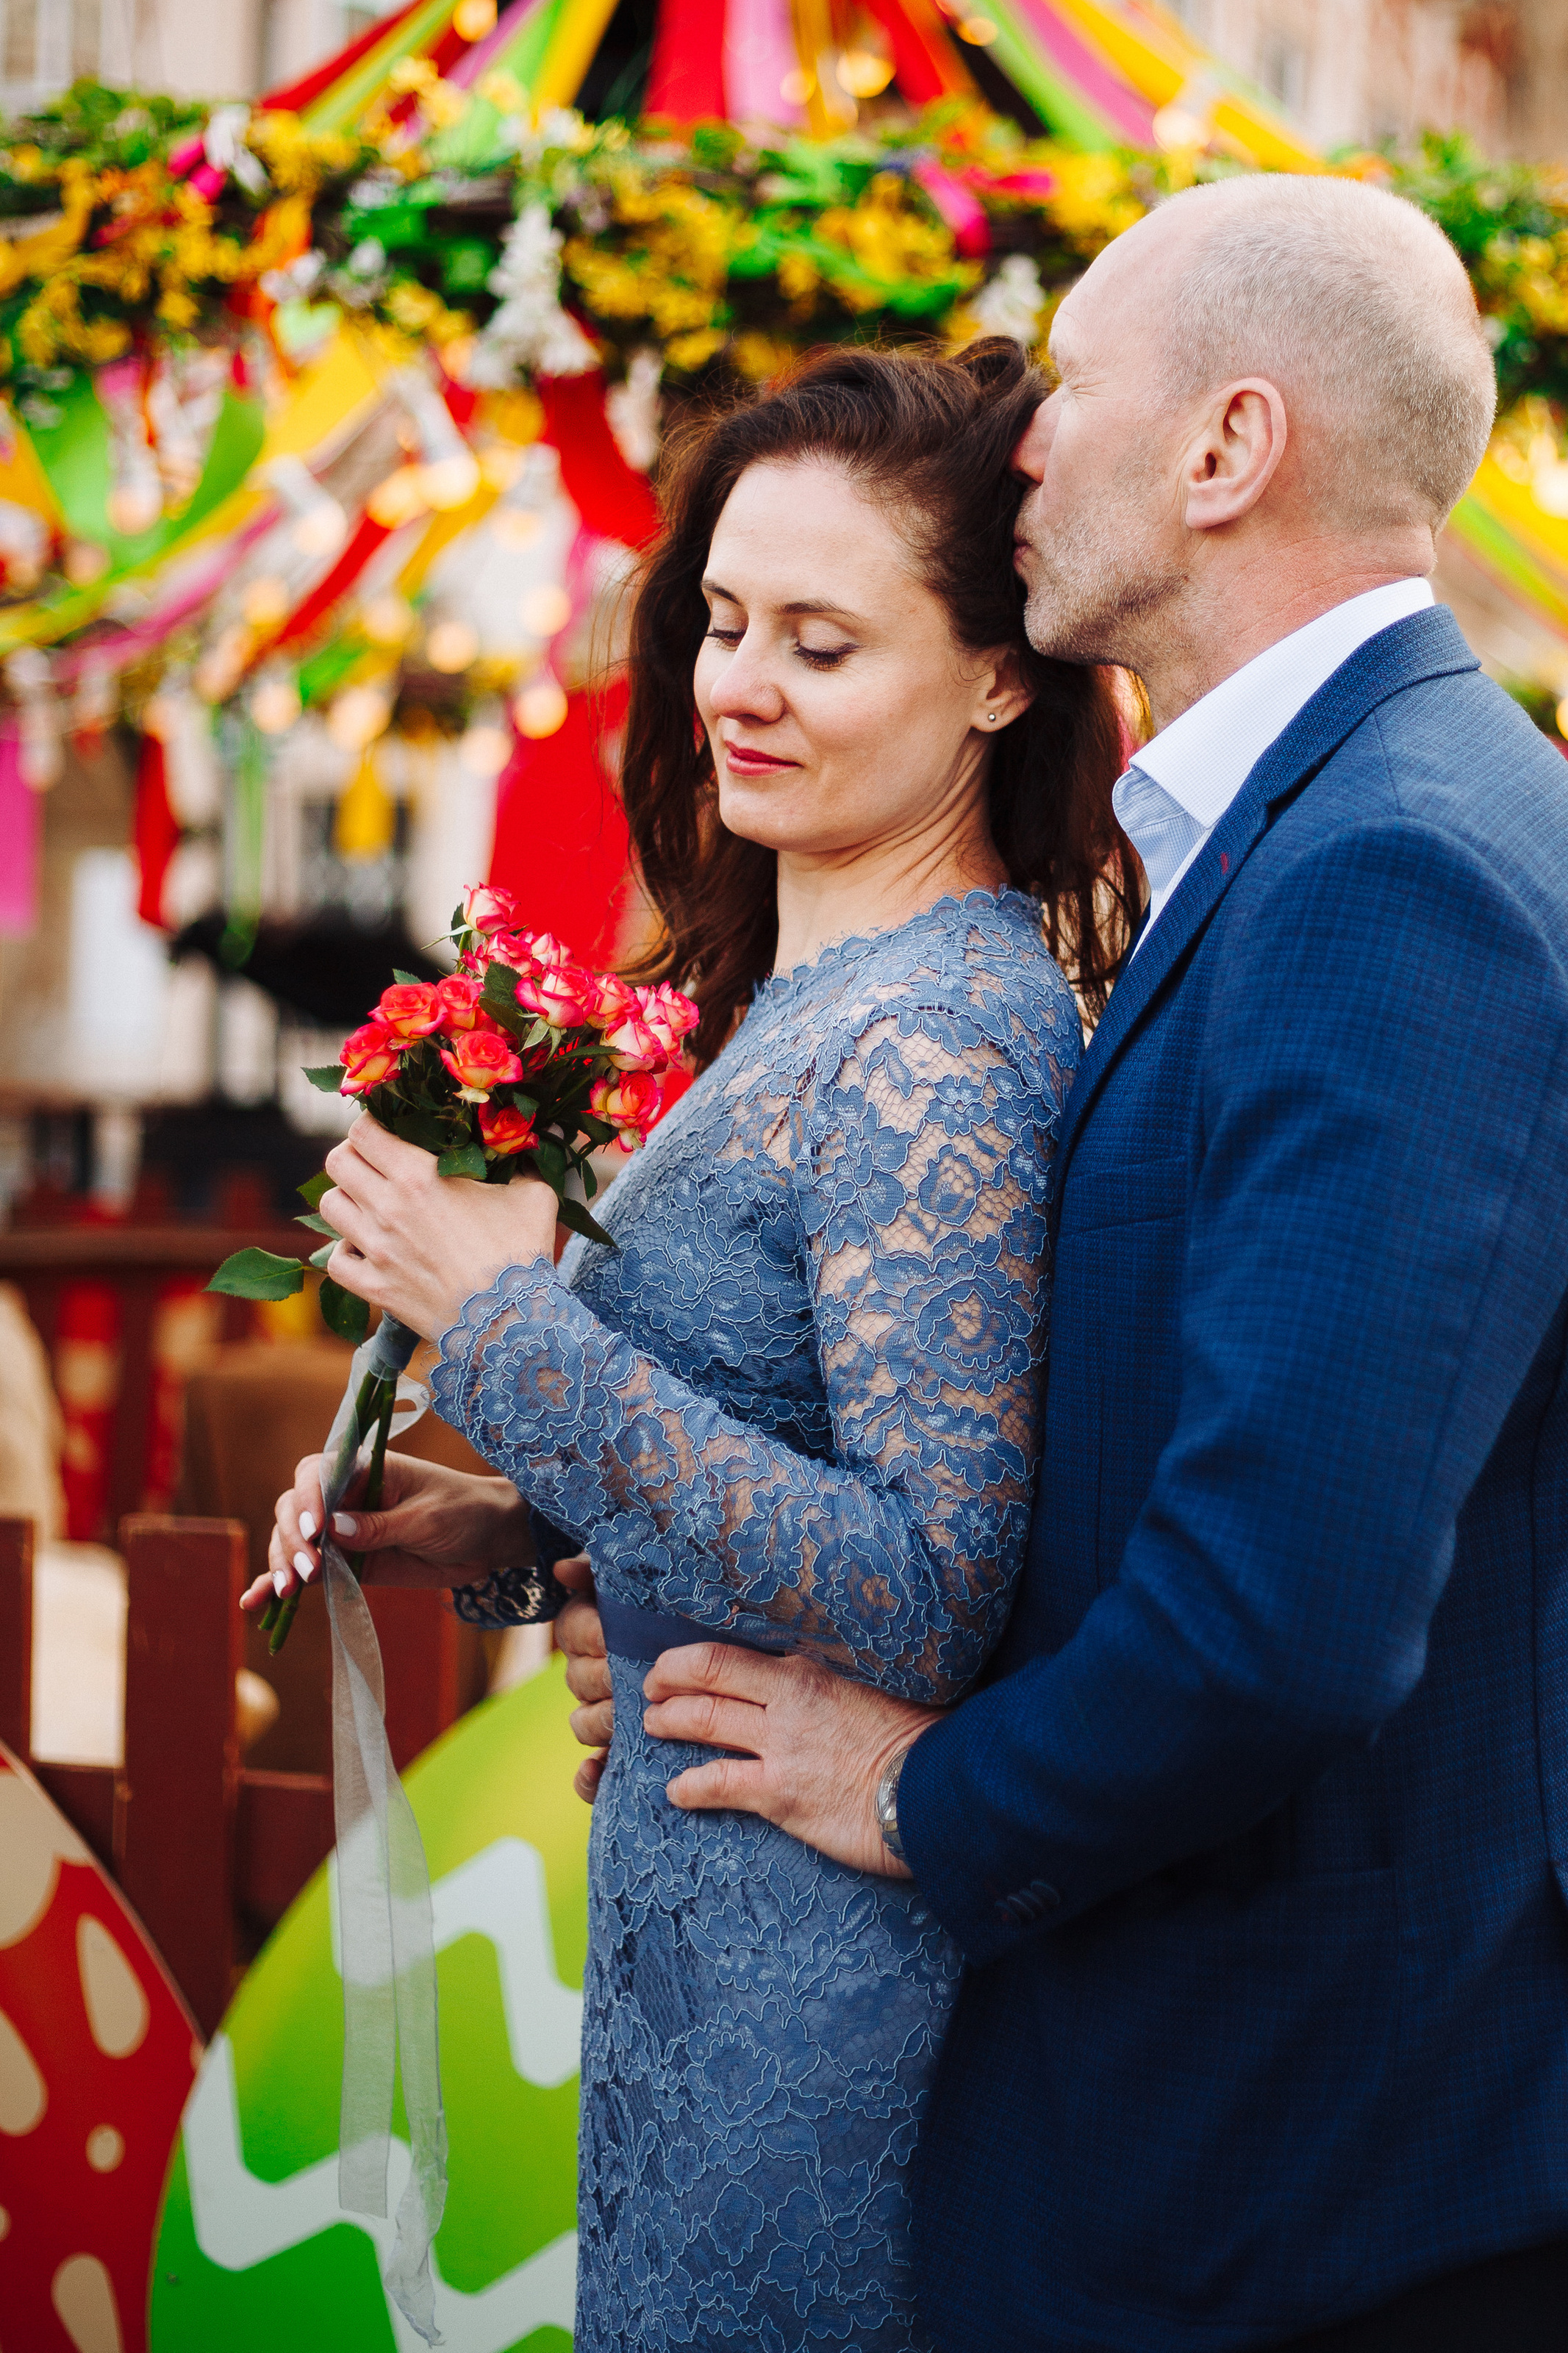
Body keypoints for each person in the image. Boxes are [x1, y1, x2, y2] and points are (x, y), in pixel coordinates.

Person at [578, 176, 1568, 2353]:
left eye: (1074, 382)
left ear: (1226, 448)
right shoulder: (1338, 817)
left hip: (1347, 2155)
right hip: (1285, 2124)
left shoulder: (1398, 871)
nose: (1022, 439)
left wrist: (912, 1788)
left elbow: (1278, 1614)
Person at [246, 339, 1139, 2353]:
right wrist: (494, 1530)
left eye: (822, 645)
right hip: (705, 1912)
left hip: (829, 1956)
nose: (740, 684)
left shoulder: (937, 1040)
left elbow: (926, 1582)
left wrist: (500, 1323)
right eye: (725, 622)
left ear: (999, 680)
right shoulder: (818, 996)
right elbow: (756, 1458)